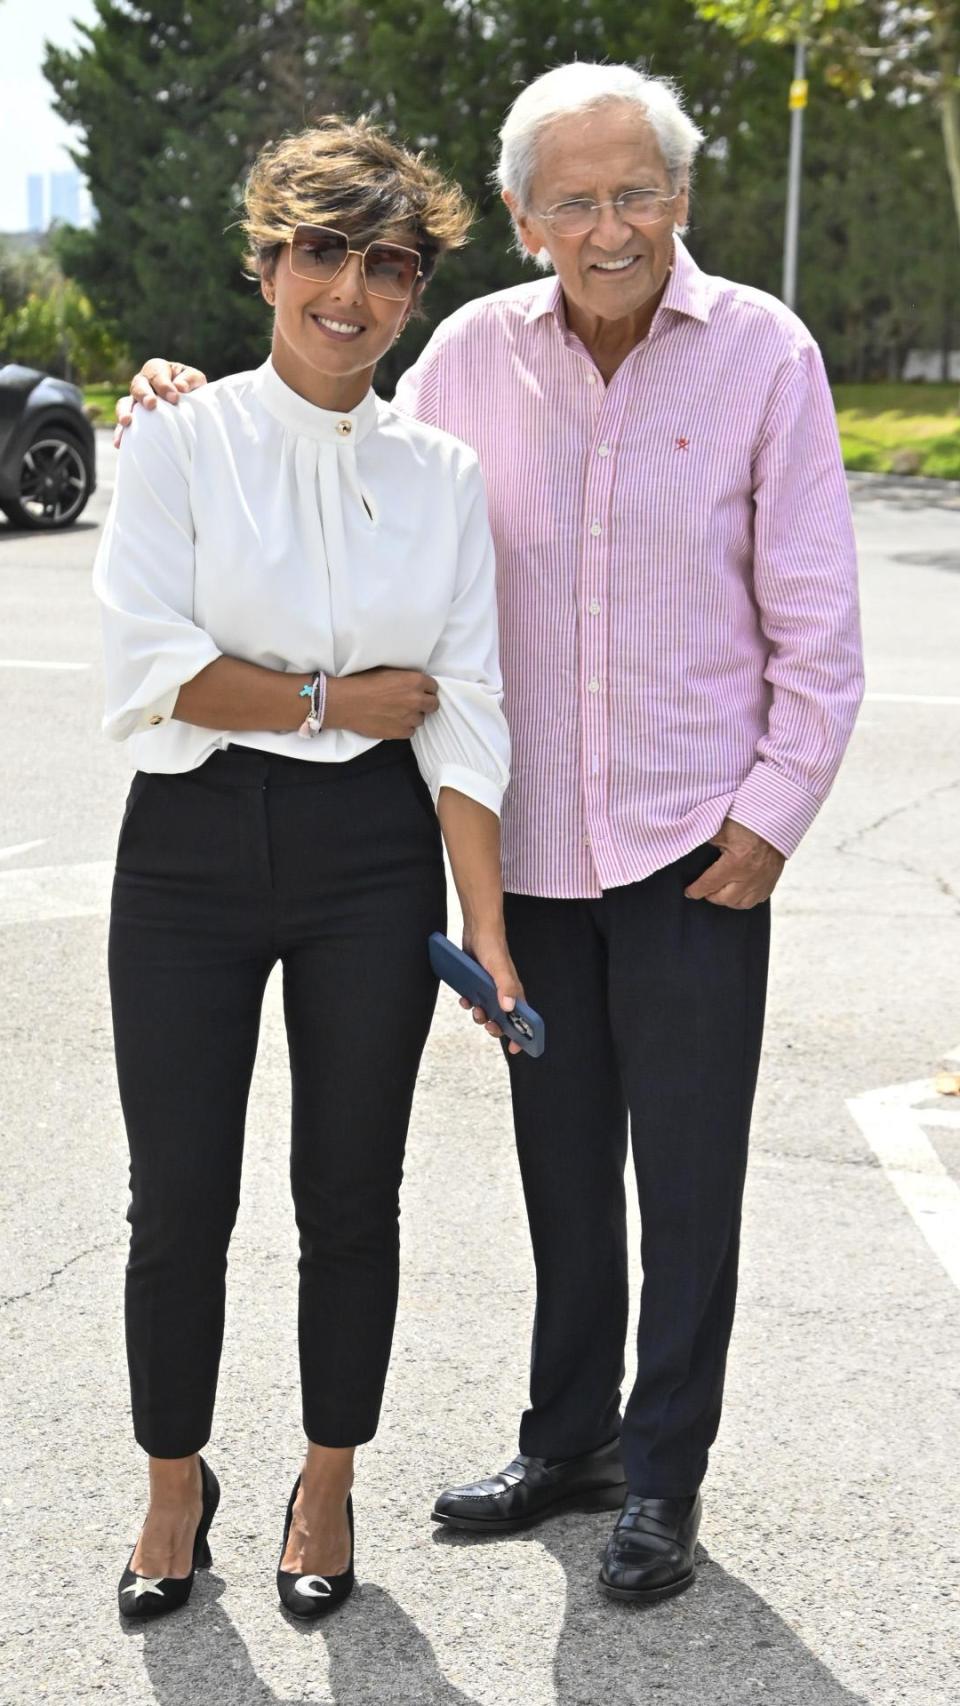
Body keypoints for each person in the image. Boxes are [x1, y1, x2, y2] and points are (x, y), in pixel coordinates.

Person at [120, 61, 864, 1606]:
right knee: (562, 1168)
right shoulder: (470, 358)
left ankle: (663, 1476)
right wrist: (177, 394)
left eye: (637, 192)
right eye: (576, 199)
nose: (611, 226)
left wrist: (773, 819)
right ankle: (571, 1436)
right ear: (527, 218)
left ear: (681, 200)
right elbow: (331, 415)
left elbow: (821, 629)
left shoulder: (765, 358)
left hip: (689, 846)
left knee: (692, 1179)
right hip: (531, 852)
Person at [97, 115, 519, 1622]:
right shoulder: (178, 437)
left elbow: (462, 704)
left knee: (352, 1189)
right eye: (322, 251)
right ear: (268, 261)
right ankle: (173, 1483)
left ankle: (327, 1475)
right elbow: (154, 671)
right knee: (179, 1198)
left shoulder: (446, 474)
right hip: (190, 849)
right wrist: (339, 700)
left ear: (416, 288)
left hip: (372, 856)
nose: (351, 289)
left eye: (389, 262)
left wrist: (490, 929)